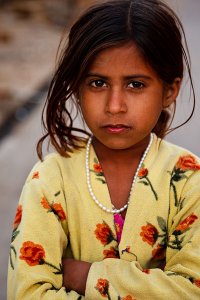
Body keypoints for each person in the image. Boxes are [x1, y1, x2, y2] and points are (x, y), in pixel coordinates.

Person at [8, 0, 200, 299]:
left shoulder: (190, 181)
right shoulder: (49, 180)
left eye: (135, 85)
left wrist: (87, 277)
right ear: (77, 87)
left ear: (169, 90)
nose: (114, 106)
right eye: (97, 83)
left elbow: (192, 289)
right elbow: (29, 293)